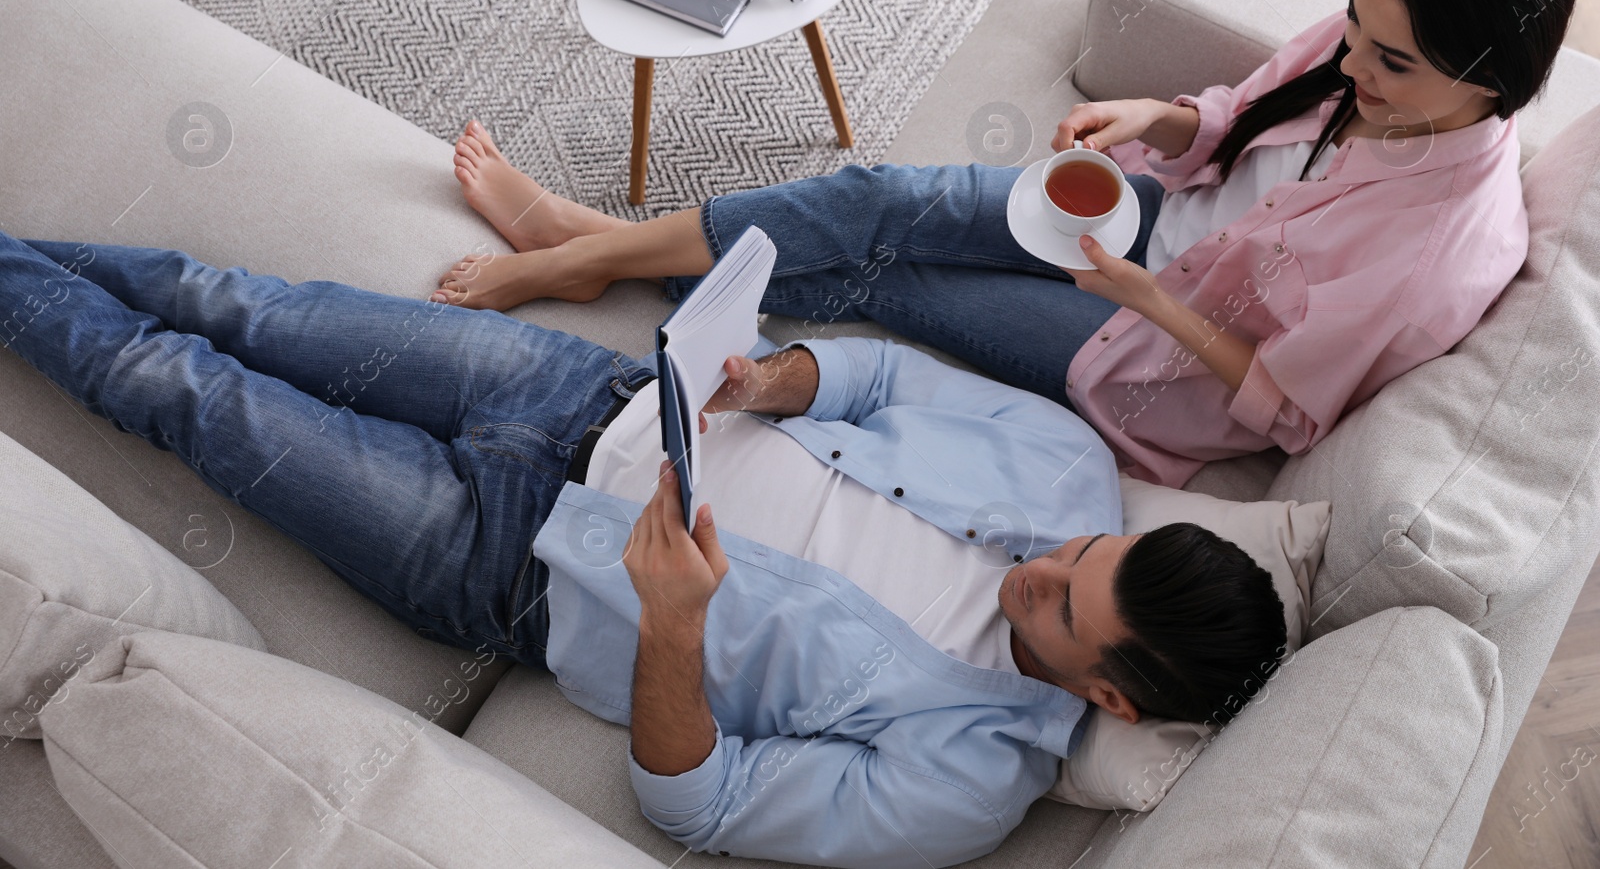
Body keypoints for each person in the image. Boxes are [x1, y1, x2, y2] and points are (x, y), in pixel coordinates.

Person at [0, 231, 1285, 869]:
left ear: (1105, 695)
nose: (1042, 564)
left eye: (1060, 601)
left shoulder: (960, 787)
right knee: (233, 302)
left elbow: (696, 802)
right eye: (1077, 549)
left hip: (502, 564)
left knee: (171, 382)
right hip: (584, 396)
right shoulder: (1064, 470)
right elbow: (881, 373)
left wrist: (674, 621)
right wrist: (784, 377)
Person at [430, 0, 1575, 489]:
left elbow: (1284, 408)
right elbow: (1246, 120)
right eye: (1357, 29)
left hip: (1160, 353)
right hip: (1150, 218)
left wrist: (1147, 298)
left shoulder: (1439, 249)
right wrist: (1163, 119)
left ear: (1488, 80)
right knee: (879, 192)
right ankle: (594, 245)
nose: (1353, 68)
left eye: (1388, 63)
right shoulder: (1371, 43)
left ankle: (582, 247)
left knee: (882, 270)